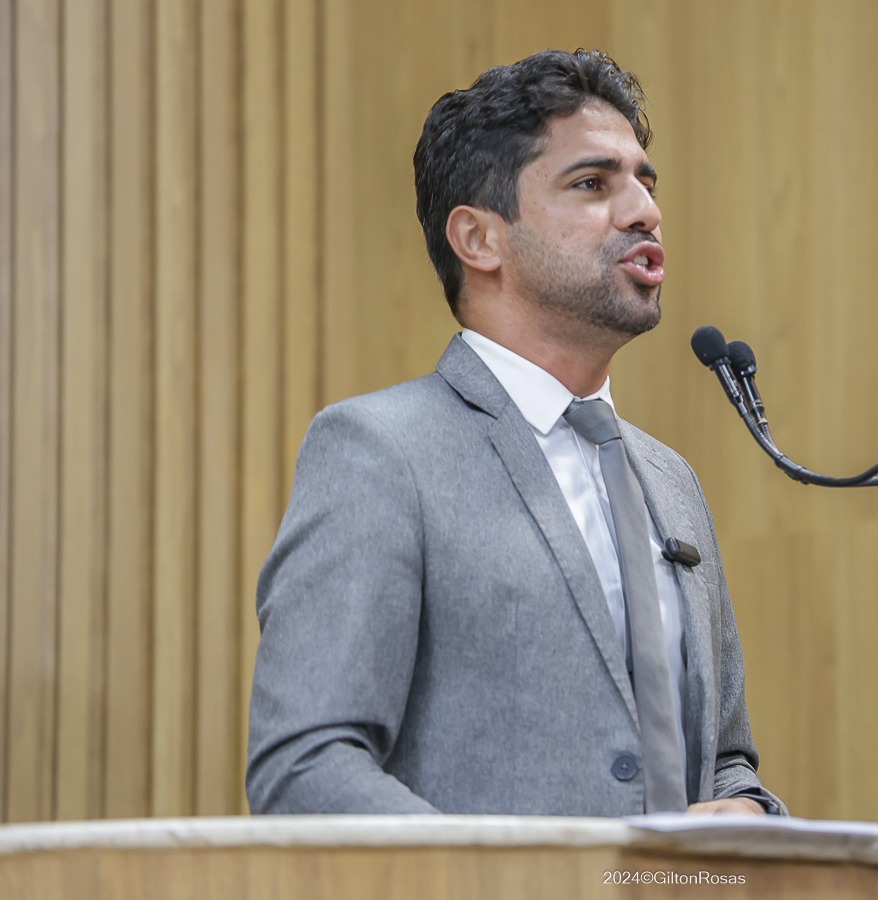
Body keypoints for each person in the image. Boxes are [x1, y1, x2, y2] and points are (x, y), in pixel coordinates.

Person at [246, 49, 782, 817]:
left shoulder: (672, 482)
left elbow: (725, 759)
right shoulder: (380, 452)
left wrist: (748, 810)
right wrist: (530, 874)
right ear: (478, 239)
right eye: (593, 183)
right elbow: (305, 770)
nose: (644, 210)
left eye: (646, 182)